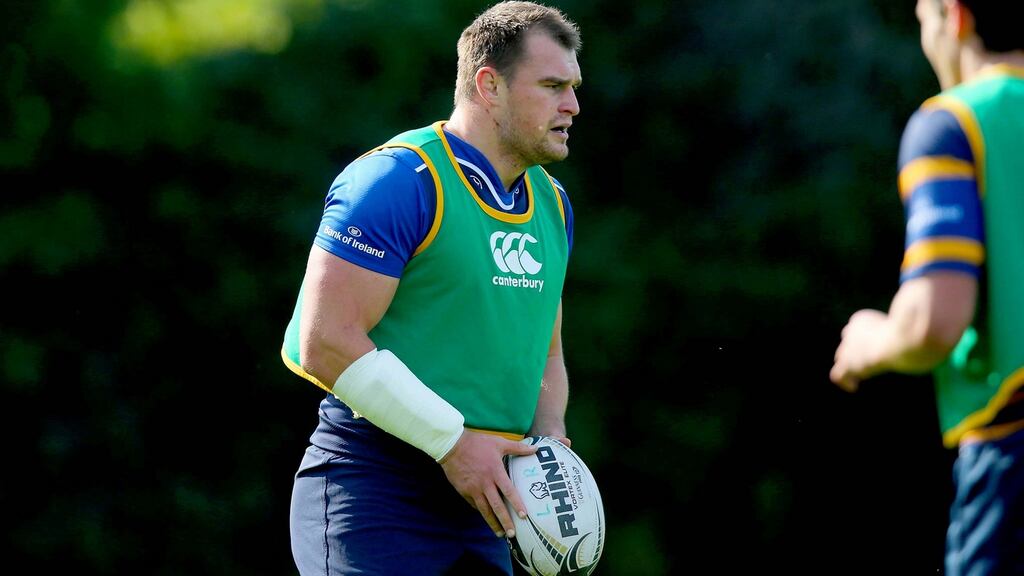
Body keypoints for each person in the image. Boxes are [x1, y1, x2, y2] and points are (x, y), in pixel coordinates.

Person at [280, 2, 582, 574]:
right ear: (489, 86)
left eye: (573, 88)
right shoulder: (397, 180)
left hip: (487, 503)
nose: (572, 105)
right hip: (375, 493)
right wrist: (453, 444)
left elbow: (544, 351)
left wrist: (548, 447)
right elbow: (322, 340)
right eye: (552, 86)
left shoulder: (552, 202)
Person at [830, 0, 1024, 572]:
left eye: (925, 23)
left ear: (955, 17)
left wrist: (869, 341)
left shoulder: (953, 125)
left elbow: (934, 322)